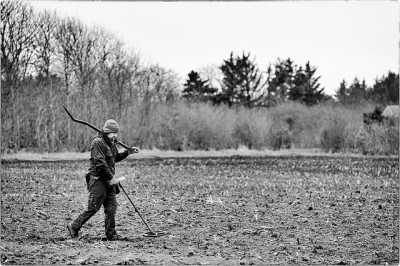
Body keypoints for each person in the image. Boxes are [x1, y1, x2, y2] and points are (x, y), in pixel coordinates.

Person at [67, 119, 139, 241]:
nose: (115, 135)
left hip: (109, 181)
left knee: (111, 208)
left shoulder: (112, 143)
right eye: (112, 133)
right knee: (93, 207)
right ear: (106, 132)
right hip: (98, 179)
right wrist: (112, 178)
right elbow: (100, 163)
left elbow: (114, 158)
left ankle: (111, 235)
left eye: (116, 133)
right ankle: (74, 226)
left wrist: (127, 152)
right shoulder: (98, 143)